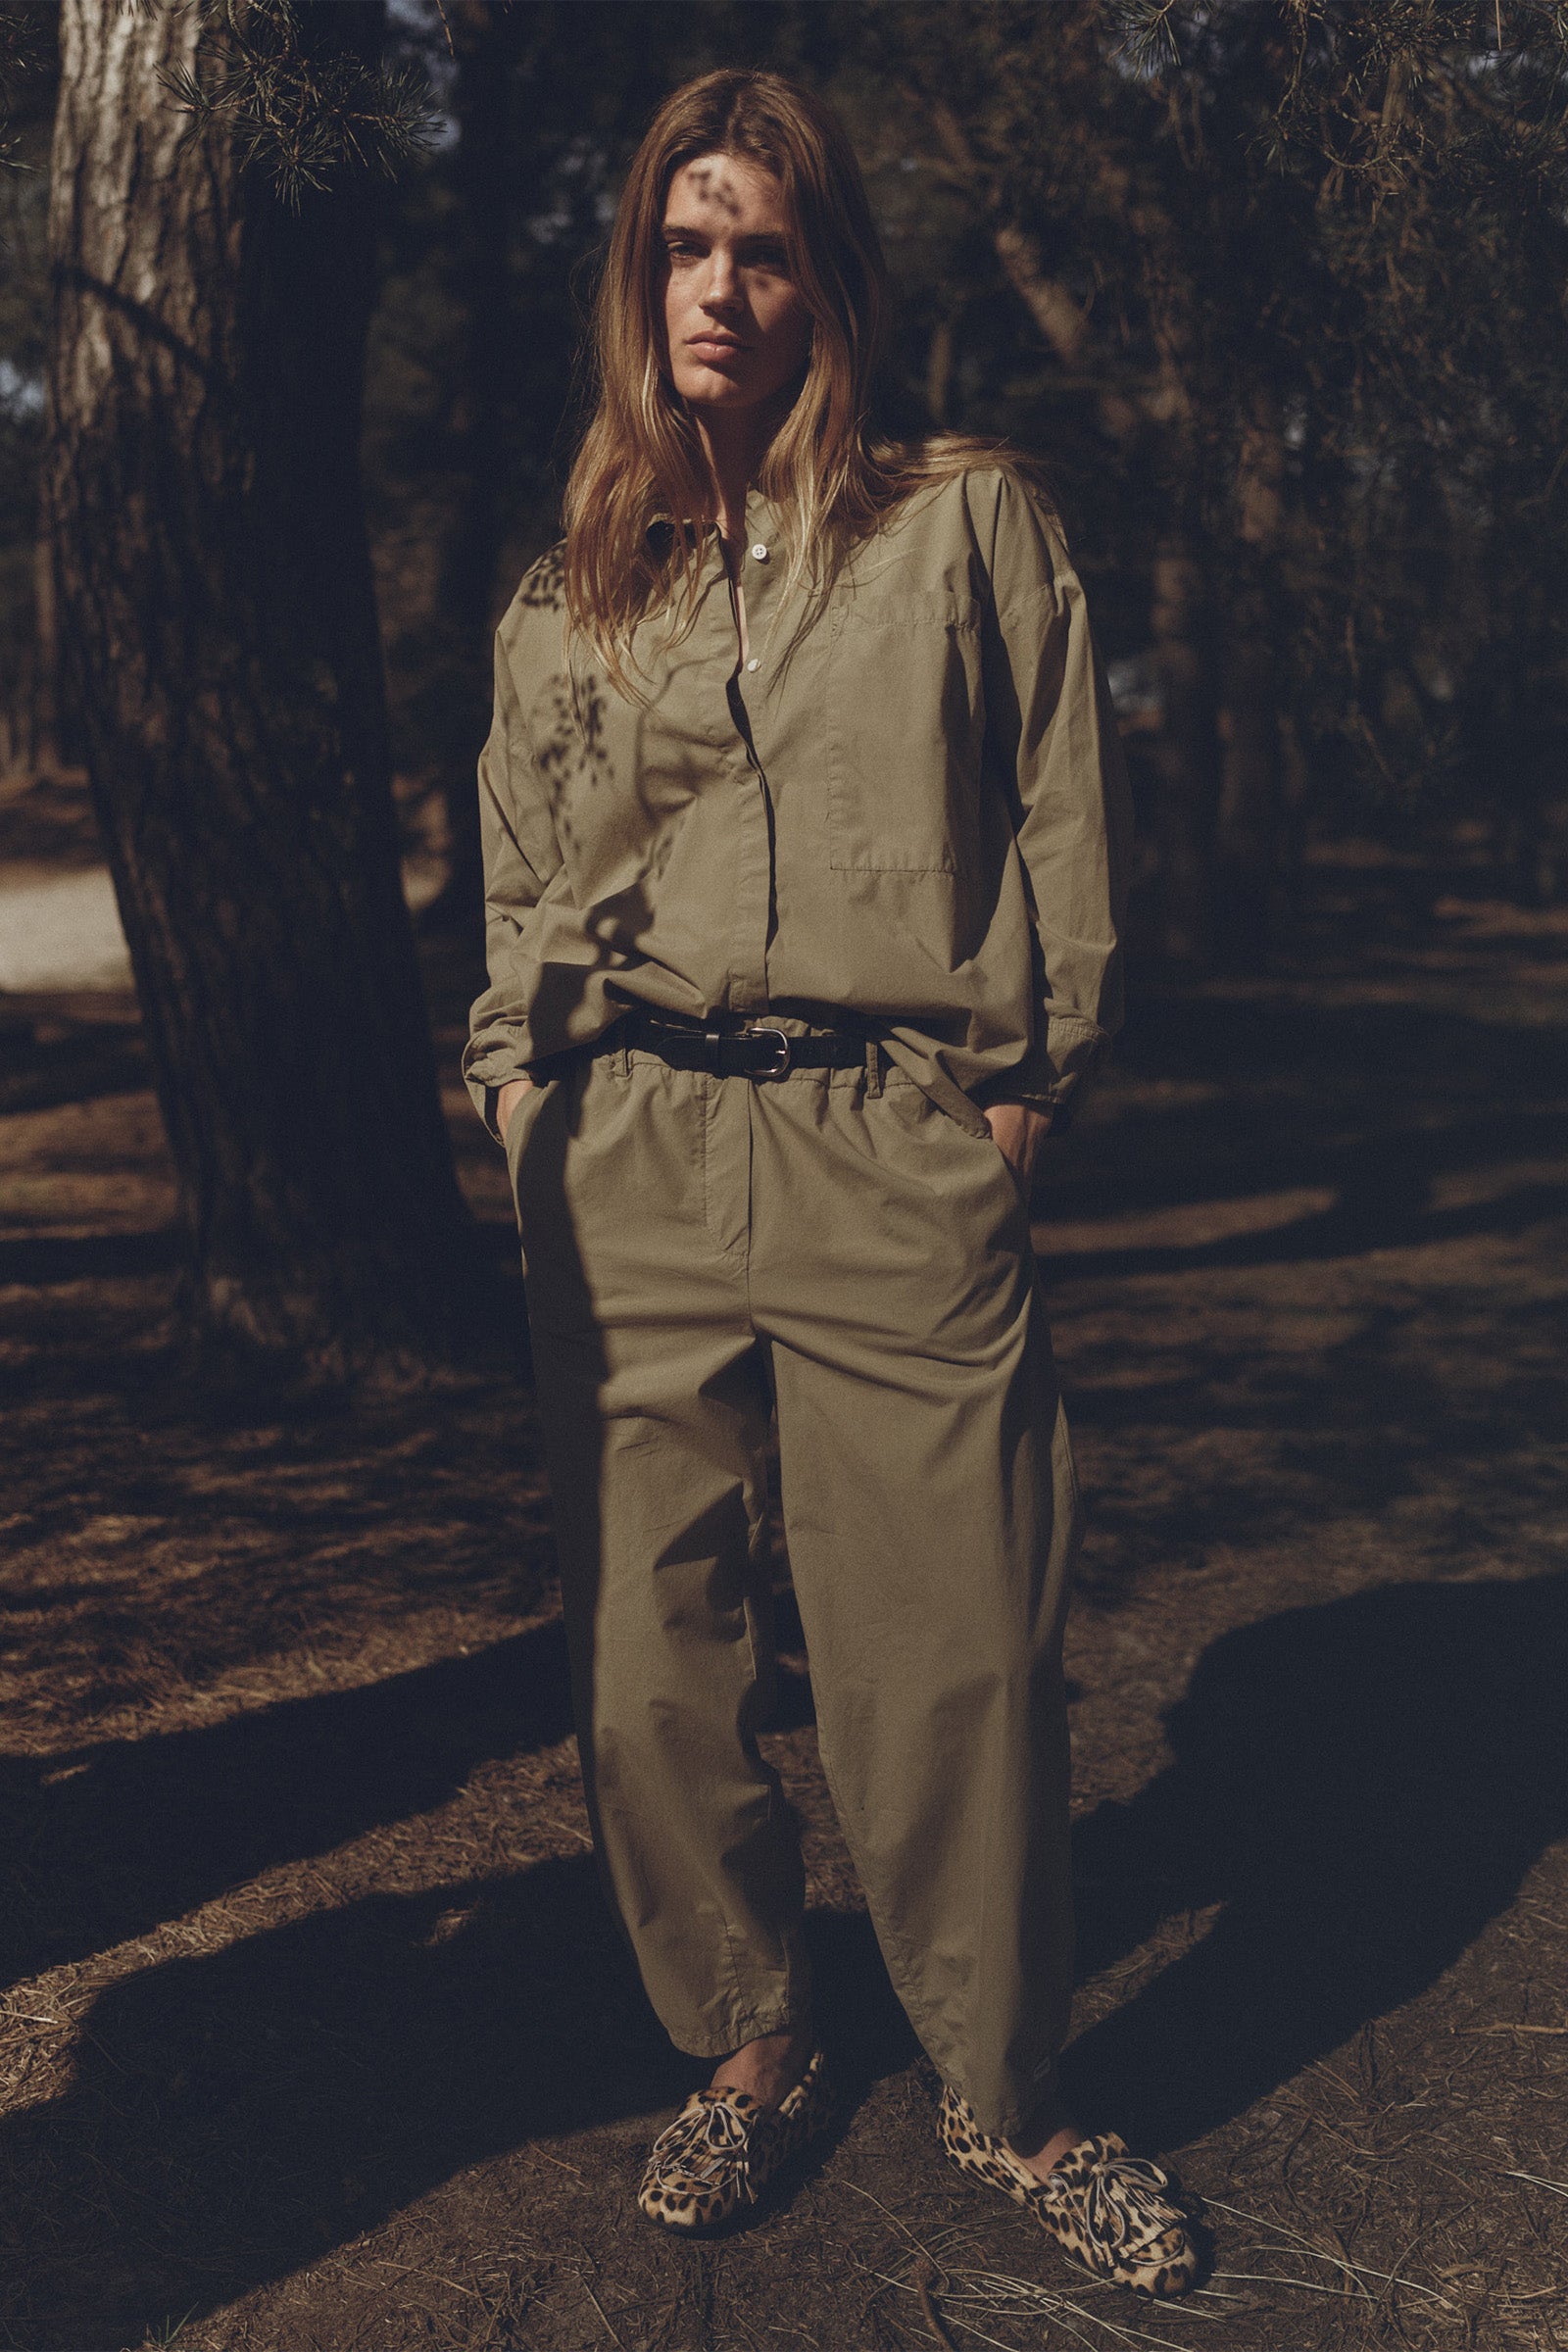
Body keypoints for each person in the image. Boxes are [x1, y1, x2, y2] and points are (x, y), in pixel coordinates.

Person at [465, 68, 1199, 2296]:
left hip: (891, 1141)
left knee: (957, 1643)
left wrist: (1020, 1098)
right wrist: (522, 1100)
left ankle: (1009, 2088)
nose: (718, 287)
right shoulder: (569, 595)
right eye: (683, 247)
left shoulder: (964, 527)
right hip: (628, 1160)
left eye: (761, 249)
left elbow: (1060, 817)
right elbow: (520, 889)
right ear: (638, 280)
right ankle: (749, 2038)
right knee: (646, 1662)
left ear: (826, 282)